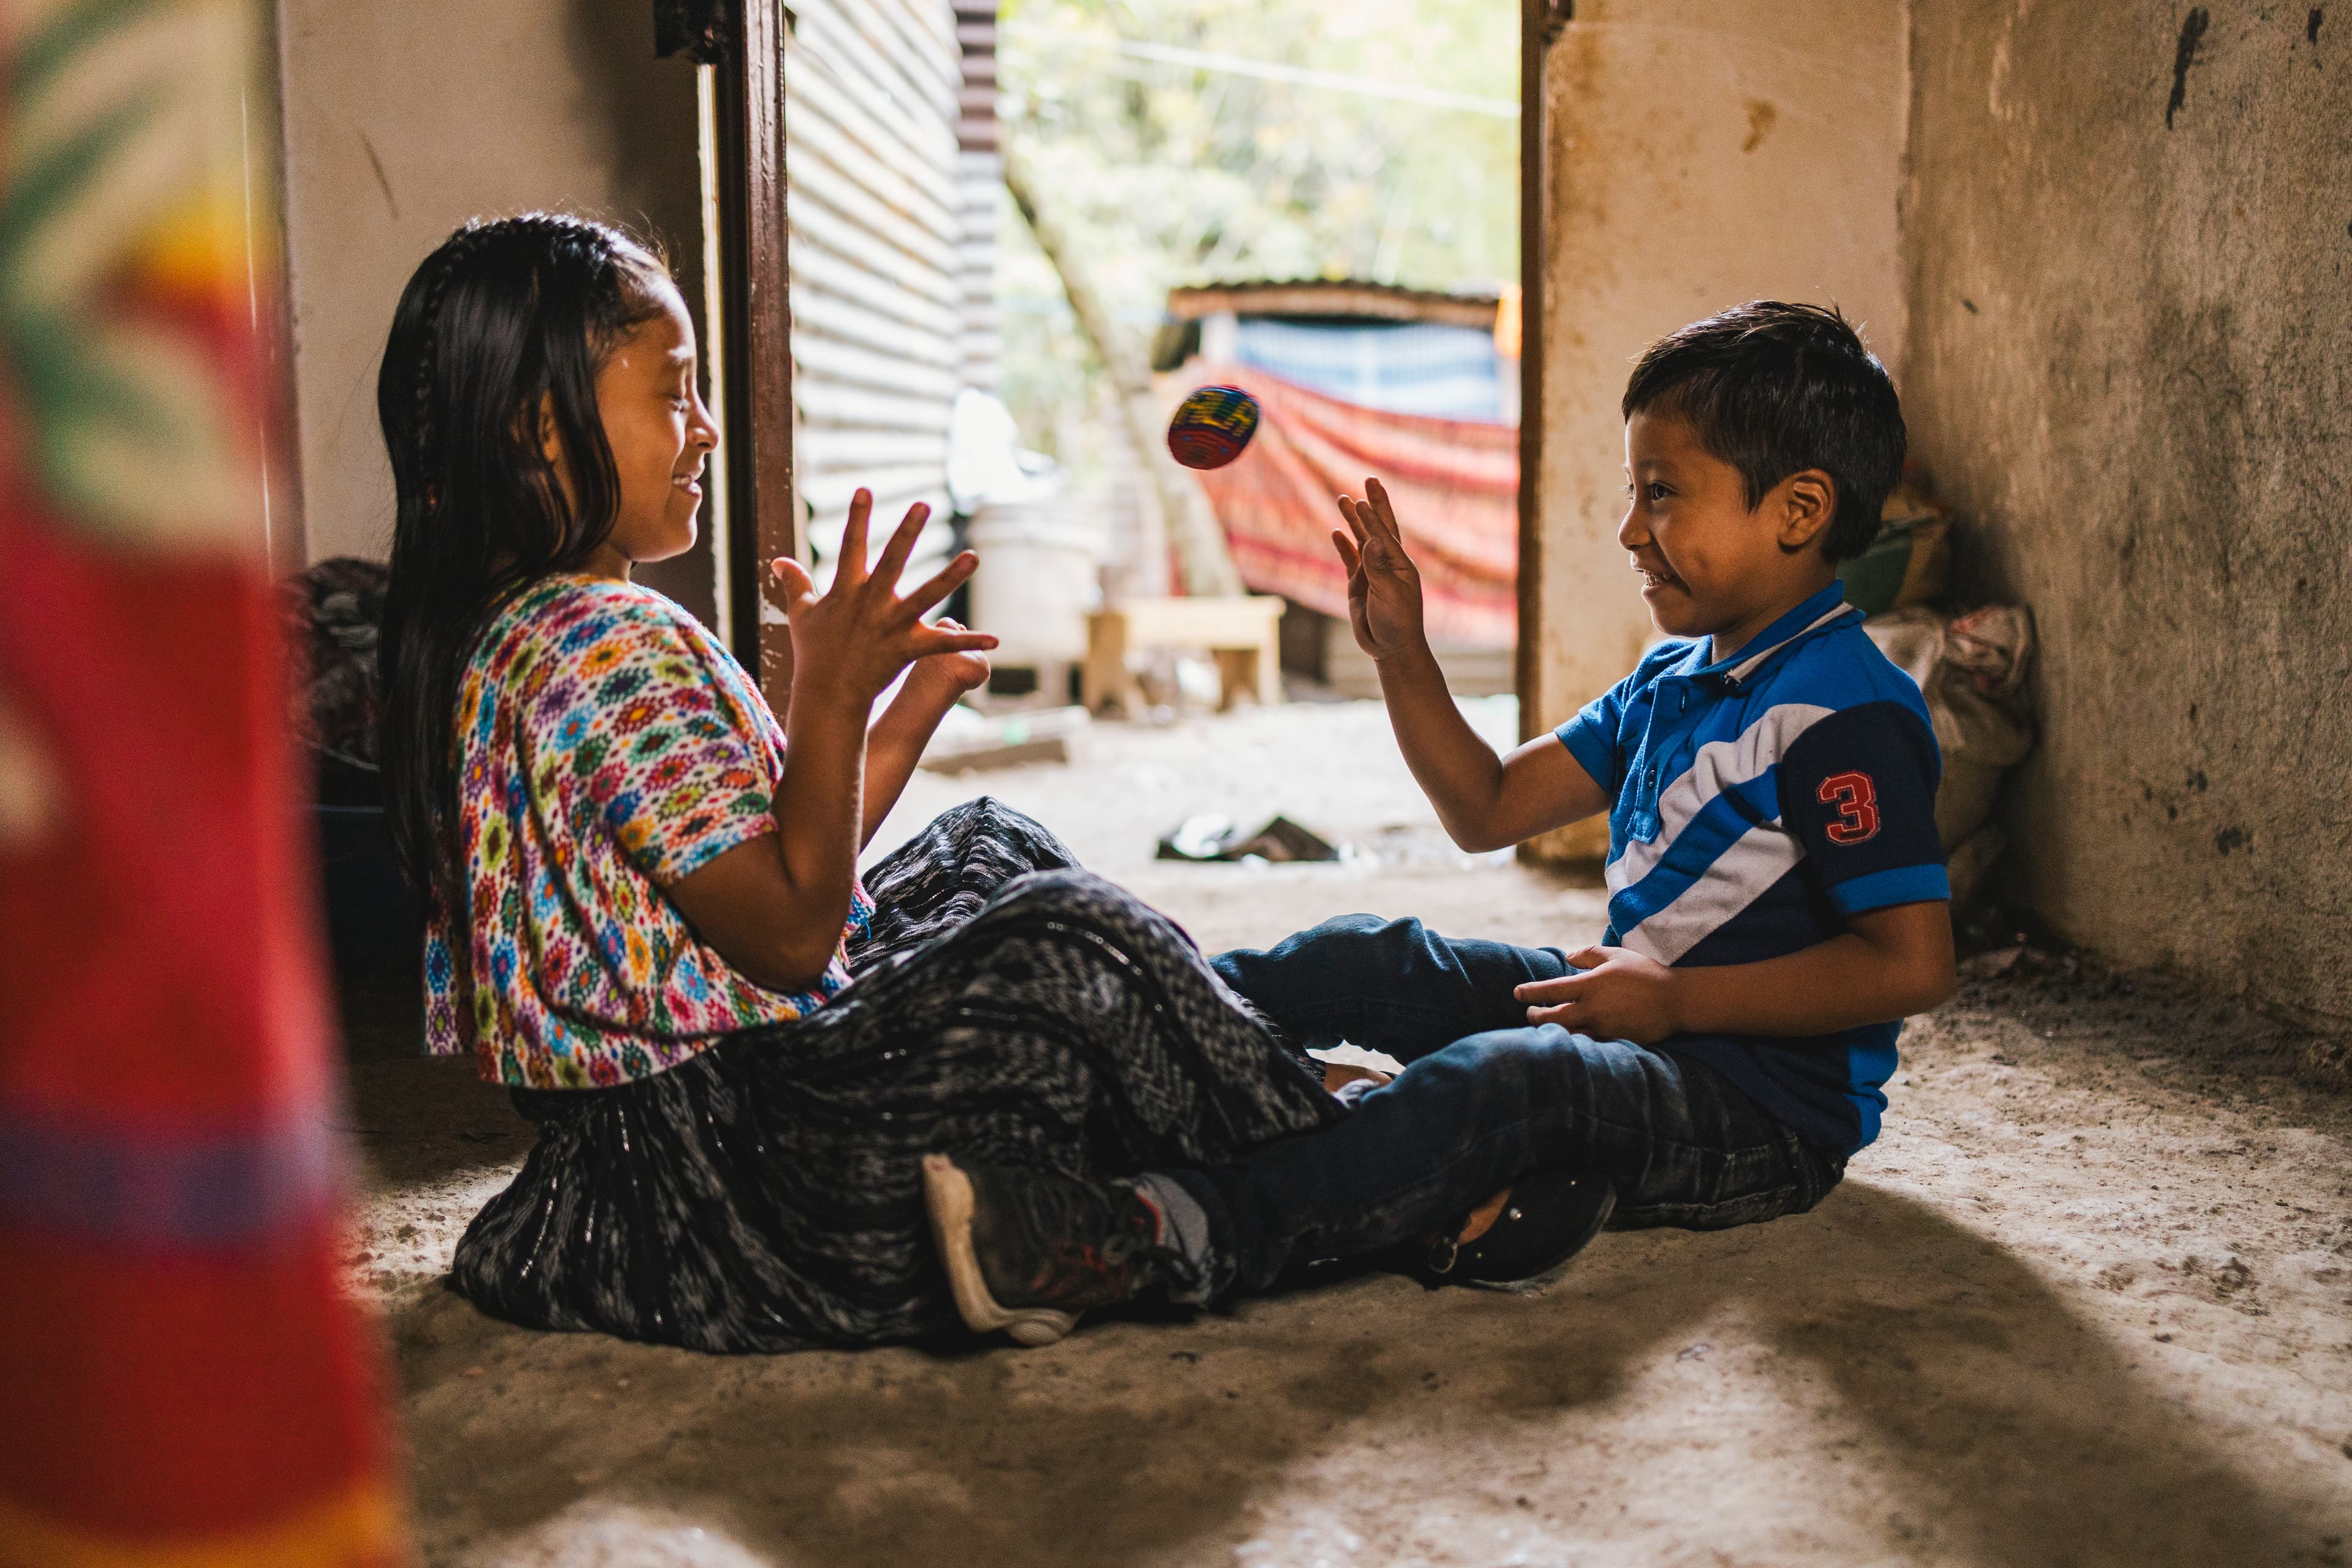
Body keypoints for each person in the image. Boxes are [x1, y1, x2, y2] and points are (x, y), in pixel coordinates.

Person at [377, 213, 1340, 1352]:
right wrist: (825, 693)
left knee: (984, 845)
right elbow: (790, 939)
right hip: (753, 1183)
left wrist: (905, 704)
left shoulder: (502, 634)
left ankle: (1224, 1071)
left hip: (636, 1164)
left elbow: (782, 863)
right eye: (674, 393)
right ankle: (1314, 1139)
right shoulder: (605, 644)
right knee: (1067, 936)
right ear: (540, 428)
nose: (706, 430)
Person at [925, 301, 1958, 1346]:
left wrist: (1679, 1003)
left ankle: (1152, 1235)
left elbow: (1909, 965)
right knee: (1368, 960)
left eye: (1662, 495)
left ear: (1798, 510)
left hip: (1758, 1111)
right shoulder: (1673, 678)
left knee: (1507, 1084)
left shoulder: (1847, 714)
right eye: (1632, 492)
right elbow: (1488, 808)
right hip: (1635, 1006)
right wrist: (1401, 654)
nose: (1630, 530)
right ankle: (1117, 1045)